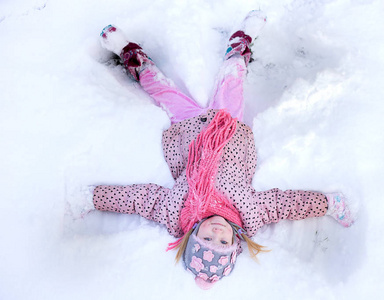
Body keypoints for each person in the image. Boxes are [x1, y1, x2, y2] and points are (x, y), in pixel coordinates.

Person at [93, 11, 354, 290]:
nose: (216, 233)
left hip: (187, 129)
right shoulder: (249, 213)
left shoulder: (175, 211)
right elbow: (286, 205)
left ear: (192, 236)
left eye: (206, 240)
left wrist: (93, 198)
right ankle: (239, 44)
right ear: (235, 242)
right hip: (228, 125)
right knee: (232, 81)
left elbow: (137, 199)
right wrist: (327, 204)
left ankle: (129, 52)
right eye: (222, 242)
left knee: (162, 91)